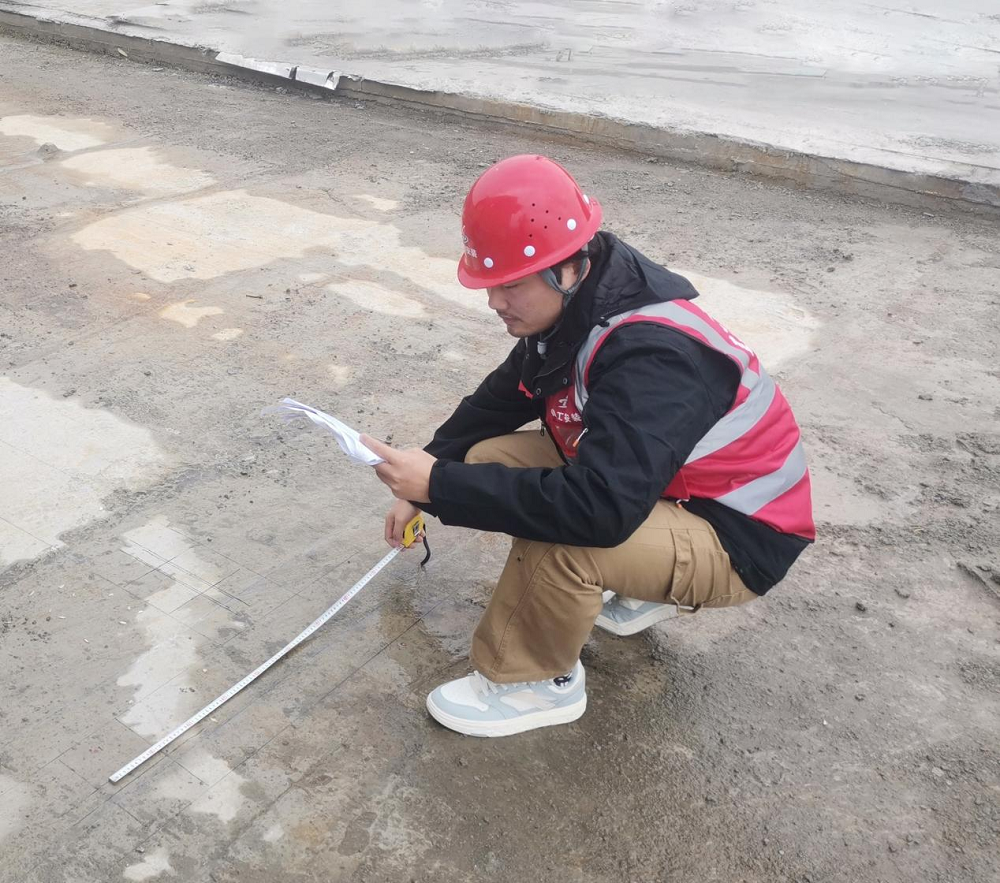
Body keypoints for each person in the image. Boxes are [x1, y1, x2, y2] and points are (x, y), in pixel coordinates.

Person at [361, 154, 815, 738]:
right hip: (671, 489)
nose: (494, 302)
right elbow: (498, 402)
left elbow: (597, 510)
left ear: (567, 269)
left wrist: (438, 485)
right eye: (490, 283)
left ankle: (530, 682)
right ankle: (639, 585)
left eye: (510, 284)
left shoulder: (656, 356)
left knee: (563, 541)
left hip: (738, 535)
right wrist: (427, 478)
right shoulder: (578, 309)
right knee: (482, 458)